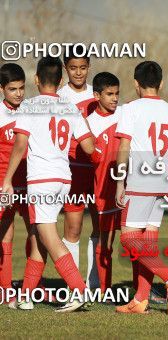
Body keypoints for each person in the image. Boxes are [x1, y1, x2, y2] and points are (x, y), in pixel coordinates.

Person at [3, 57, 100, 312]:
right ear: (60, 80)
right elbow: (90, 147)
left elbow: (20, 145)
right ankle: (25, 296)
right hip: (63, 180)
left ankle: (78, 289)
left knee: (48, 235)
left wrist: (7, 180)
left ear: (36, 80)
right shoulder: (70, 107)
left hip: (41, 180)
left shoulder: (30, 106)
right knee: (38, 236)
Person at [114, 61, 168, 315]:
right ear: (162, 84)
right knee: (147, 243)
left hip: (140, 181)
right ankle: (141, 299)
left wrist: (118, 182)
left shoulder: (130, 108)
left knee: (128, 238)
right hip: (162, 183)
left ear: (136, 84)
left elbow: (124, 147)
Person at [58, 46, 99, 289]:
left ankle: (93, 283)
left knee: (99, 227)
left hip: (97, 169)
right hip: (72, 169)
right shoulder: (60, 97)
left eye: (83, 68)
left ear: (88, 68)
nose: (78, 72)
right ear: (66, 69)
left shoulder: (98, 94)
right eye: (73, 68)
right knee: (73, 228)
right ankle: (73, 286)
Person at [86, 72, 123, 295]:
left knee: (134, 241)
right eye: (109, 94)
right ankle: (104, 290)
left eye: (117, 93)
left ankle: (142, 289)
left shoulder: (125, 115)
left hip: (130, 187)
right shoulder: (90, 123)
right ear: (97, 95)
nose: (114, 98)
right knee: (106, 243)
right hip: (105, 191)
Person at [0, 63, 31, 307]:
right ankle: (6, 289)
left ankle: (34, 287)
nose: (19, 93)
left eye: (21, 88)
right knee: (5, 232)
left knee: (37, 232)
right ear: (2, 89)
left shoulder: (31, 110)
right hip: (5, 183)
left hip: (30, 181)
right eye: (12, 89)